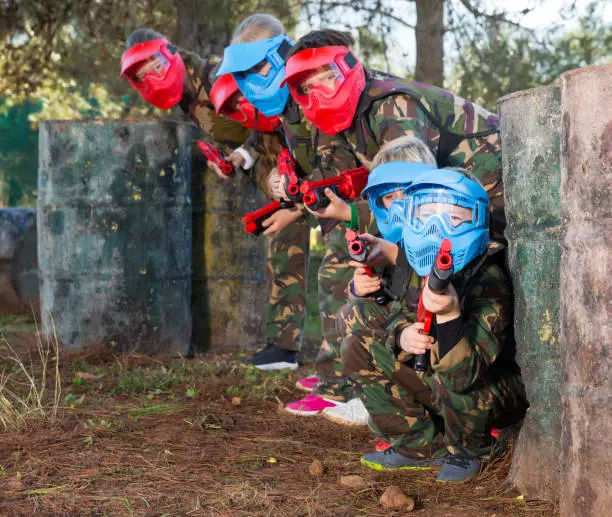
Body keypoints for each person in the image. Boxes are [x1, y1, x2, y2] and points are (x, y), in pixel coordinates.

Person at [120, 29, 309, 369]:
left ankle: (300, 351)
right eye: (142, 75)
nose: (152, 77)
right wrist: (235, 158)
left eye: (154, 66)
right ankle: (289, 346)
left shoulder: (216, 74)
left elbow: (271, 115)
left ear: (171, 53)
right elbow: (242, 128)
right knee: (283, 255)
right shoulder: (184, 95)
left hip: (295, 164)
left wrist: (288, 196)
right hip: (271, 170)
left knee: (307, 253)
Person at [217, 16, 373, 402]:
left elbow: (338, 167)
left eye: (258, 69)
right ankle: (342, 377)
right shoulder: (289, 104)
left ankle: (346, 387)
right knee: (339, 280)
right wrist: (284, 186)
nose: (252, 81)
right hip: (340, 199)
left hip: (358, 201)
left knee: (339, 281)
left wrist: (295, 204)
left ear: (279, 56)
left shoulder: (311, 89)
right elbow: (305, 160)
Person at [337, 169, 528, 482]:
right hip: (444, 382)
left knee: (449, 371)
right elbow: (399, 315)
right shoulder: (420, 268)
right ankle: (418, 445)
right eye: (425, 215)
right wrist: (402, 336)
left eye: (454, 217)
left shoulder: (489, 280)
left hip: (494, 389)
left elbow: (464, 374)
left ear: (477, 220)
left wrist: (450, 315)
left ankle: (473, 450)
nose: (435, 227)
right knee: (357, 345)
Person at [280, 30, 506, 242]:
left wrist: (351, 213)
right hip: (468, 205)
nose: (318, 95)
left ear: (348, 67)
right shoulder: (352, 114)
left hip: (502, 196)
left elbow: (410, 200)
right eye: (308, 88)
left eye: (328, 78)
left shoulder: (390, 106)